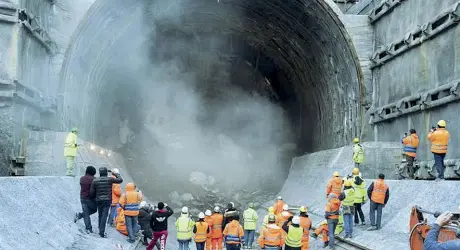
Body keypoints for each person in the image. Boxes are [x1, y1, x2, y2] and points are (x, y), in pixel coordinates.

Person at [90, 167, 123, 238]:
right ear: (106, 173)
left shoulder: (95, 180)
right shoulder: (110, 179)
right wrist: (116, 173)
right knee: (104, 215)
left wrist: (95, 198)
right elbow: (120, 180)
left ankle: (100, 228)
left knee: (100, 214)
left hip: (98, 200)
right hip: (107, 200)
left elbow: (92, 192)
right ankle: (102, 232)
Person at [74, 166, 97, 234]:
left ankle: (80, 216)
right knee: (93, 210)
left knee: (86, 213)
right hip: (91, 198)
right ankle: (88, 228)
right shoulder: (94, 179)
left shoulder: (82, 178)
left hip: (82, 198)